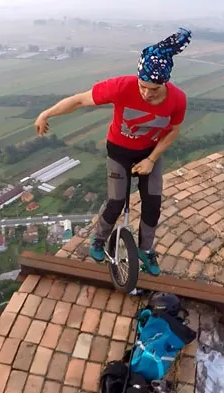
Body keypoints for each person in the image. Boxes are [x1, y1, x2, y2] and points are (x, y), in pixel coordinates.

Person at [34, 28, 192, 277]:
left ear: (165, 82)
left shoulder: (177, 99)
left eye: (154, 89)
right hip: (119, 151)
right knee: (116, 201)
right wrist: (46, 113)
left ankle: (146, 249)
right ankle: (98, 240)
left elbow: (173, 130)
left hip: (150, 152)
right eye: (143, 87)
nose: (147, 94)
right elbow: (79, 100)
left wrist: (151, 159)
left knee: (153, 203)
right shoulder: (121, 87)